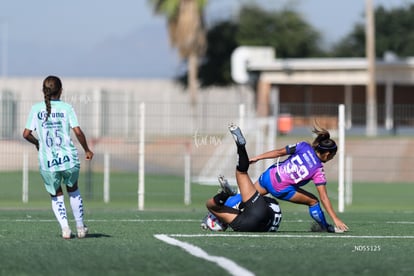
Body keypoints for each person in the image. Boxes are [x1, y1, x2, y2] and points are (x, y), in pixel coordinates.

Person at [23, 75, 94, 239]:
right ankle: (81, 227)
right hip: (69, 159)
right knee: (73, 190)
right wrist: (87, 150)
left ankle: (65, 229)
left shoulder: (36, 109)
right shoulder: (67, 108)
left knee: (56, 195)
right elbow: (78, 132)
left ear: (43, 91)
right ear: (61, 91)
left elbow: (26, 134)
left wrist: (38, 143)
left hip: (48, 162)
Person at [243, 125, 349, 233]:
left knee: (246, 198)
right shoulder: (318, 170)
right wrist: (336, 219)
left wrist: (257, 157)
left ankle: (225, 220)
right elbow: (323, 197)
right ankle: (325, 227)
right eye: (333, 156)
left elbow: (279, 152)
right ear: (327, 154)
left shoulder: (303, 146)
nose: (332, 158)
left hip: (269, 176)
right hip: (280, 188)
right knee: (313, 201)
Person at [202, 124, 282, 232]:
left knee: (213, 206)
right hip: (263, 213)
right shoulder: (232, 204)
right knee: (241, 172)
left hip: (247, 225)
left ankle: (224, 194)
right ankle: (241, 146)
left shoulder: (233, 216)